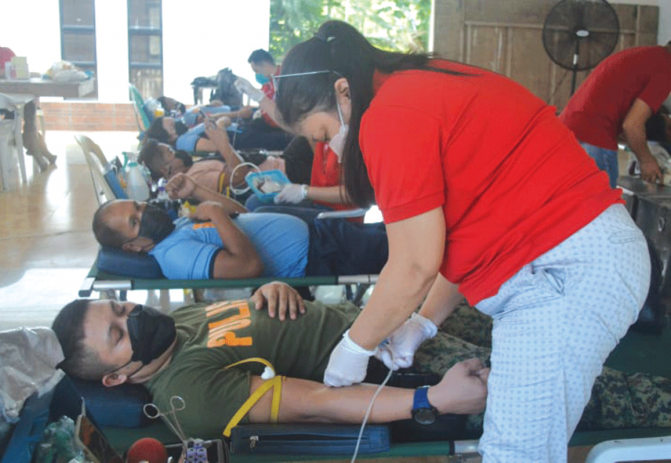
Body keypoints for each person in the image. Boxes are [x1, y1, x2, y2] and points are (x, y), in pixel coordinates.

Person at [273, 20, 651, 463]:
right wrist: (424, 322)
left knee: (515, 454)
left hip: (565, 270)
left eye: (323, 135)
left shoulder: (389, 117)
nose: (332, 151)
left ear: (342, 92)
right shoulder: (420, 84)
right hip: (576, 259)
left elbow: (414, 264)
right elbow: (463, 230)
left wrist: (355, 345)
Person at [51, 282, 671, 440]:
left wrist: (271, 292)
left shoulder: (174, 326)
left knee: (543, 312)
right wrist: (431, 401)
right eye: (117, 332)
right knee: (573, 383)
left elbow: (249, 315)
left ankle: (625, 321)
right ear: (115, 377)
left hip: (382, 317)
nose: (132, 317)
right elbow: (318, 401)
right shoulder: (192, 394)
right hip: (391, 362)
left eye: (122, 307)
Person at [91, 197, 388, 280]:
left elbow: (239, 213)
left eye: (138, 206)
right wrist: (216, 215)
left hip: (322, 236)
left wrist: (198, 192)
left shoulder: (175, 228)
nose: (145, 213)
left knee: (399, 235)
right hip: (322, 255)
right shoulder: (174, 256)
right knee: (409, 249)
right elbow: (247, 267)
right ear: (132, 246)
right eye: (135, 221)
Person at [559, 41, 671, 187]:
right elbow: (632, 125)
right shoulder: (665, 69)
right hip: (594, 137)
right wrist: (647, 161)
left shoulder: (647, 55)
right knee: (604, 205)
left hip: (567, 130)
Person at [0, 27, 57, 171]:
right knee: (23, 125)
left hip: (15, 105)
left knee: (29, 113)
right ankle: (41, 152)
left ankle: (41, 152)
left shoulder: (6, 53)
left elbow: (10, 71)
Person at [138, 135, 313, 200]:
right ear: (165, 170)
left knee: (304, 138)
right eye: (171, 153)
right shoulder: (194, 179)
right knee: (307, 140)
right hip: (282, 178)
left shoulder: (192, 169)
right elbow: (238, 176)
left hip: (281, 163)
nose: (177, 153)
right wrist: (222, 141)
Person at [145, 114, 292, 153]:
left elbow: (224, 121)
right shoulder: (183, 142)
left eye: (174, 120)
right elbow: (218, 146)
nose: (177, 122)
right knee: (286, 138)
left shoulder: (187, 133)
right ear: (170, 137)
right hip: (244, 141)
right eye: (172, 125)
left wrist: (220, 122)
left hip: (244, 131)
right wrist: (220, 124)